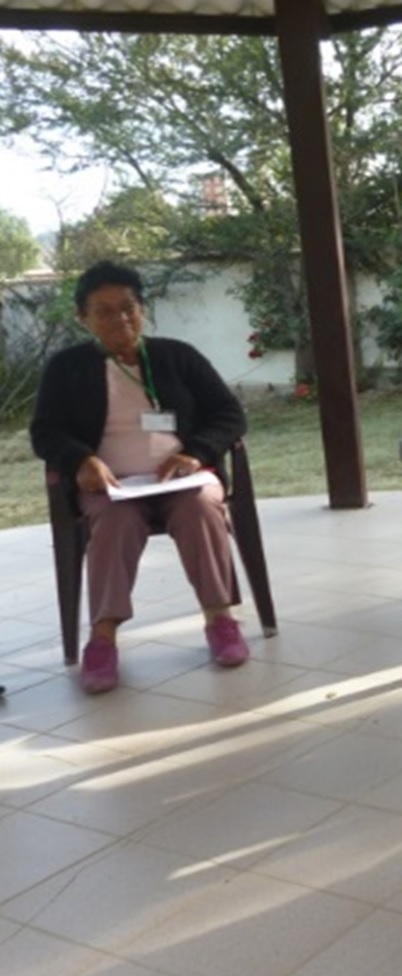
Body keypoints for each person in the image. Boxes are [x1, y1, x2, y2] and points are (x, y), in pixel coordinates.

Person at [30, 261, 250, 694]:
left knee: (201, 509)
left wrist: (195, 453)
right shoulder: (66, 367)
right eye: (104, 311)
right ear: (83, 318)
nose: (120, 319)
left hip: (182, 480)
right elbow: (45, 431)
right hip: (112, 486)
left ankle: (220, 620)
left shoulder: (178, 356)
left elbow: (229, 415)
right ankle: (103, 639)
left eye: (128, 307)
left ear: (142, 309)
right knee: (114, 522)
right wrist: (80, 460)